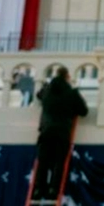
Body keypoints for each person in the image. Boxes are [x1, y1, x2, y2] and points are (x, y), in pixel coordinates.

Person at [34, 66, 89, 199]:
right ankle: (53, 189)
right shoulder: (71, 93)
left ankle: (38, 189)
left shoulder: (47, 90)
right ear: (68, 77)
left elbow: (38, 95)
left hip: (46, 131)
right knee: (59, 161)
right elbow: (84, 111)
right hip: (62, 132)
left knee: (43, 162)